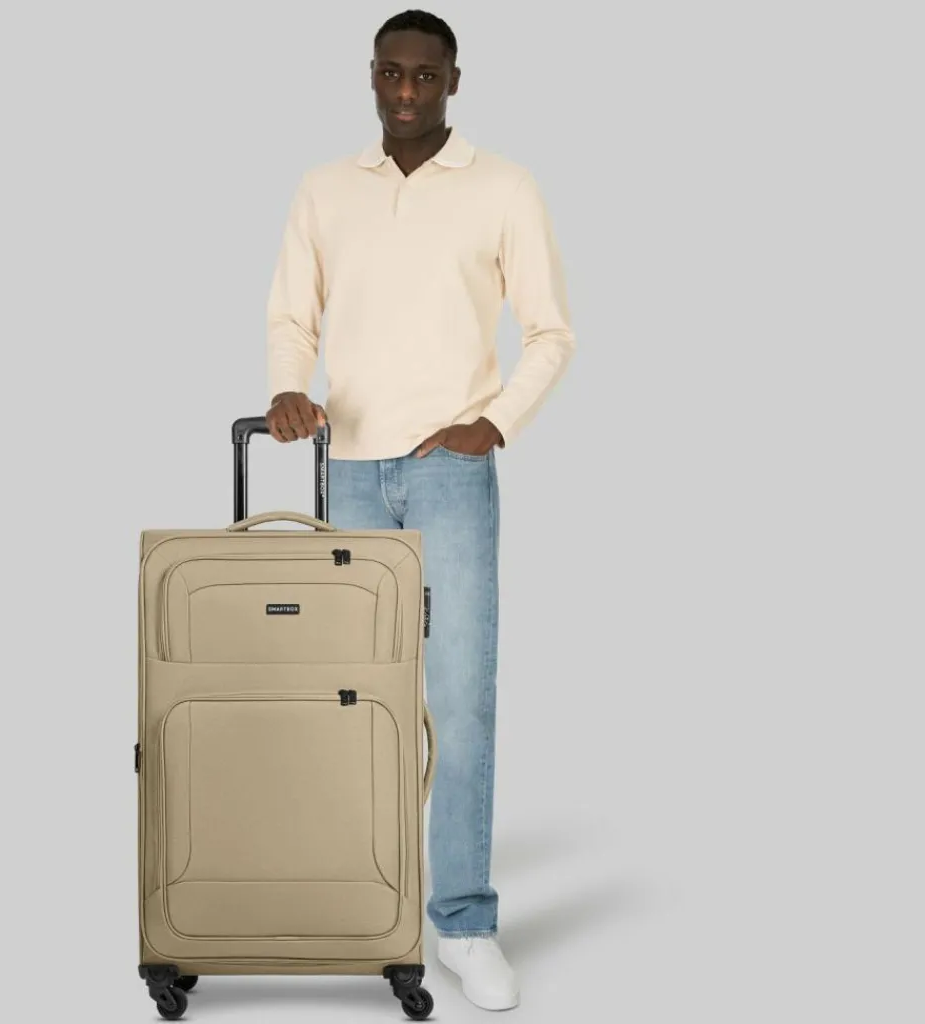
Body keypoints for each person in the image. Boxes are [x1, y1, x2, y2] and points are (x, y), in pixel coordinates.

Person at [263, 9, 575, 1011]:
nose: (406, 93)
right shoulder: (324, 189)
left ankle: (466, 924)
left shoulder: (503, 188)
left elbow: (551, 331)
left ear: (453, 81)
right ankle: (364, 903)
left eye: (425, 77)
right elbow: (292, 313)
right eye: (390, 74)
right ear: (370, 76)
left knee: (460, 698)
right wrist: (287, 386)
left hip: (450, 471)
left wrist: (497, 422)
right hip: (349, 469)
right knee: (354, 698)